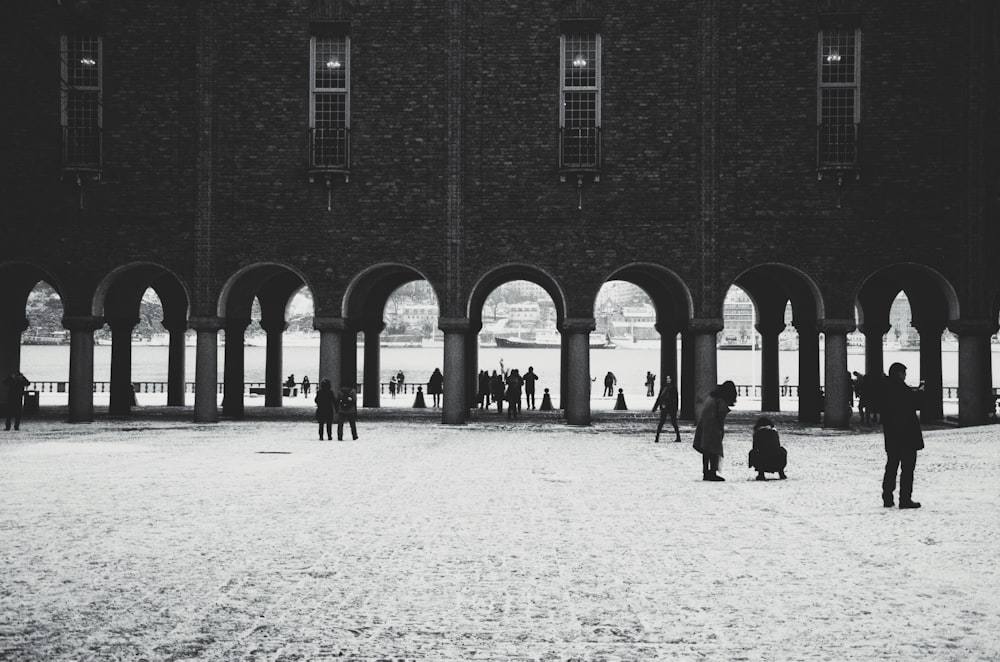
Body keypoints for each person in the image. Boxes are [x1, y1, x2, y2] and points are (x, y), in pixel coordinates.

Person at [880, 362, 924, 509]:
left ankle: (887, 497)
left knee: (891, 466)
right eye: (904, 373)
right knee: (907, 469)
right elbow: (912, 406)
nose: (905, 375)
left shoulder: (885, 389)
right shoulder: (903, 390)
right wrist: (919, 394)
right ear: (899, 373)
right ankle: (905, 499)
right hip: (906, 436)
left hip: (892, 436)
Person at [692, 381, 737, 481]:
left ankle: (705, 472)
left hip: (704, 425)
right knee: (713, 450)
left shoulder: (712, 396)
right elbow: (720, 414)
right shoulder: (721, 400)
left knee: (706, 449)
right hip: (712, 427)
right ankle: (712, 472)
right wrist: (721, 429)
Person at [652, 375, 680, 443]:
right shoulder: (664, 388)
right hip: (665, 407)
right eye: (667, 379)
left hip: (671, 407)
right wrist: (655, 407)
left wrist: (675, 408)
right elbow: (660, 397)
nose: (668, 380)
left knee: (674, 422)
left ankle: (678, 437)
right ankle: (657, 438)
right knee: (661, 422)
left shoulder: (673, 388)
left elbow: (675, 399)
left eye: (669, 378)